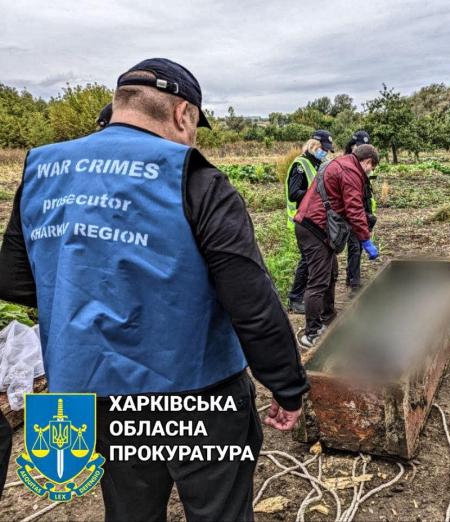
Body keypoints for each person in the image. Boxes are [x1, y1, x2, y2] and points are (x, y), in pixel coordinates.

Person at [0, 58, 308, 521]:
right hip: (200, 394)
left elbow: (16, 281)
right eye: (195, 126)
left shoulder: (43, 169)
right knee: (220, 509)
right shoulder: (194, 176)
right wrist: (287, 388)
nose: (193, 138)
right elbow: (251, 302)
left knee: (129, 510)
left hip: (92, 395)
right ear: (183, 113)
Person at [294, 144, 381, 348]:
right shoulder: (351, 172)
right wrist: (365, 239)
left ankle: (328, 318)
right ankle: (311, 333)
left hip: (318, 228)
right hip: (313, 228)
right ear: (368, 162)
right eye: (372, 167)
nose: (371, 172)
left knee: (331, 272)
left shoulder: (341, 164)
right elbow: (354, 208)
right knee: (318, 281)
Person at [285, 130, 334, 314]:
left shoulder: (317, 162)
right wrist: (314, 194)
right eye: (323, 149)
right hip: (303, 220)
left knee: (309, 260)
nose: (325, 153)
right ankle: (295, 298)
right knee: (306, 260)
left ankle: (302, 295)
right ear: (314, 145)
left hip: (313, 220)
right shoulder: (300, 164)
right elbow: (293, 192)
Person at [343, 131, 377, 296]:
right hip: (353, 213)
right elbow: (352, 200)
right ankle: (354, 283)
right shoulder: (348, 166)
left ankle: (352, 277)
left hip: (363, 210)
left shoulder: (363, 165)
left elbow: (365, 193)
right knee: (355, 246)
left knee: (358, 248)